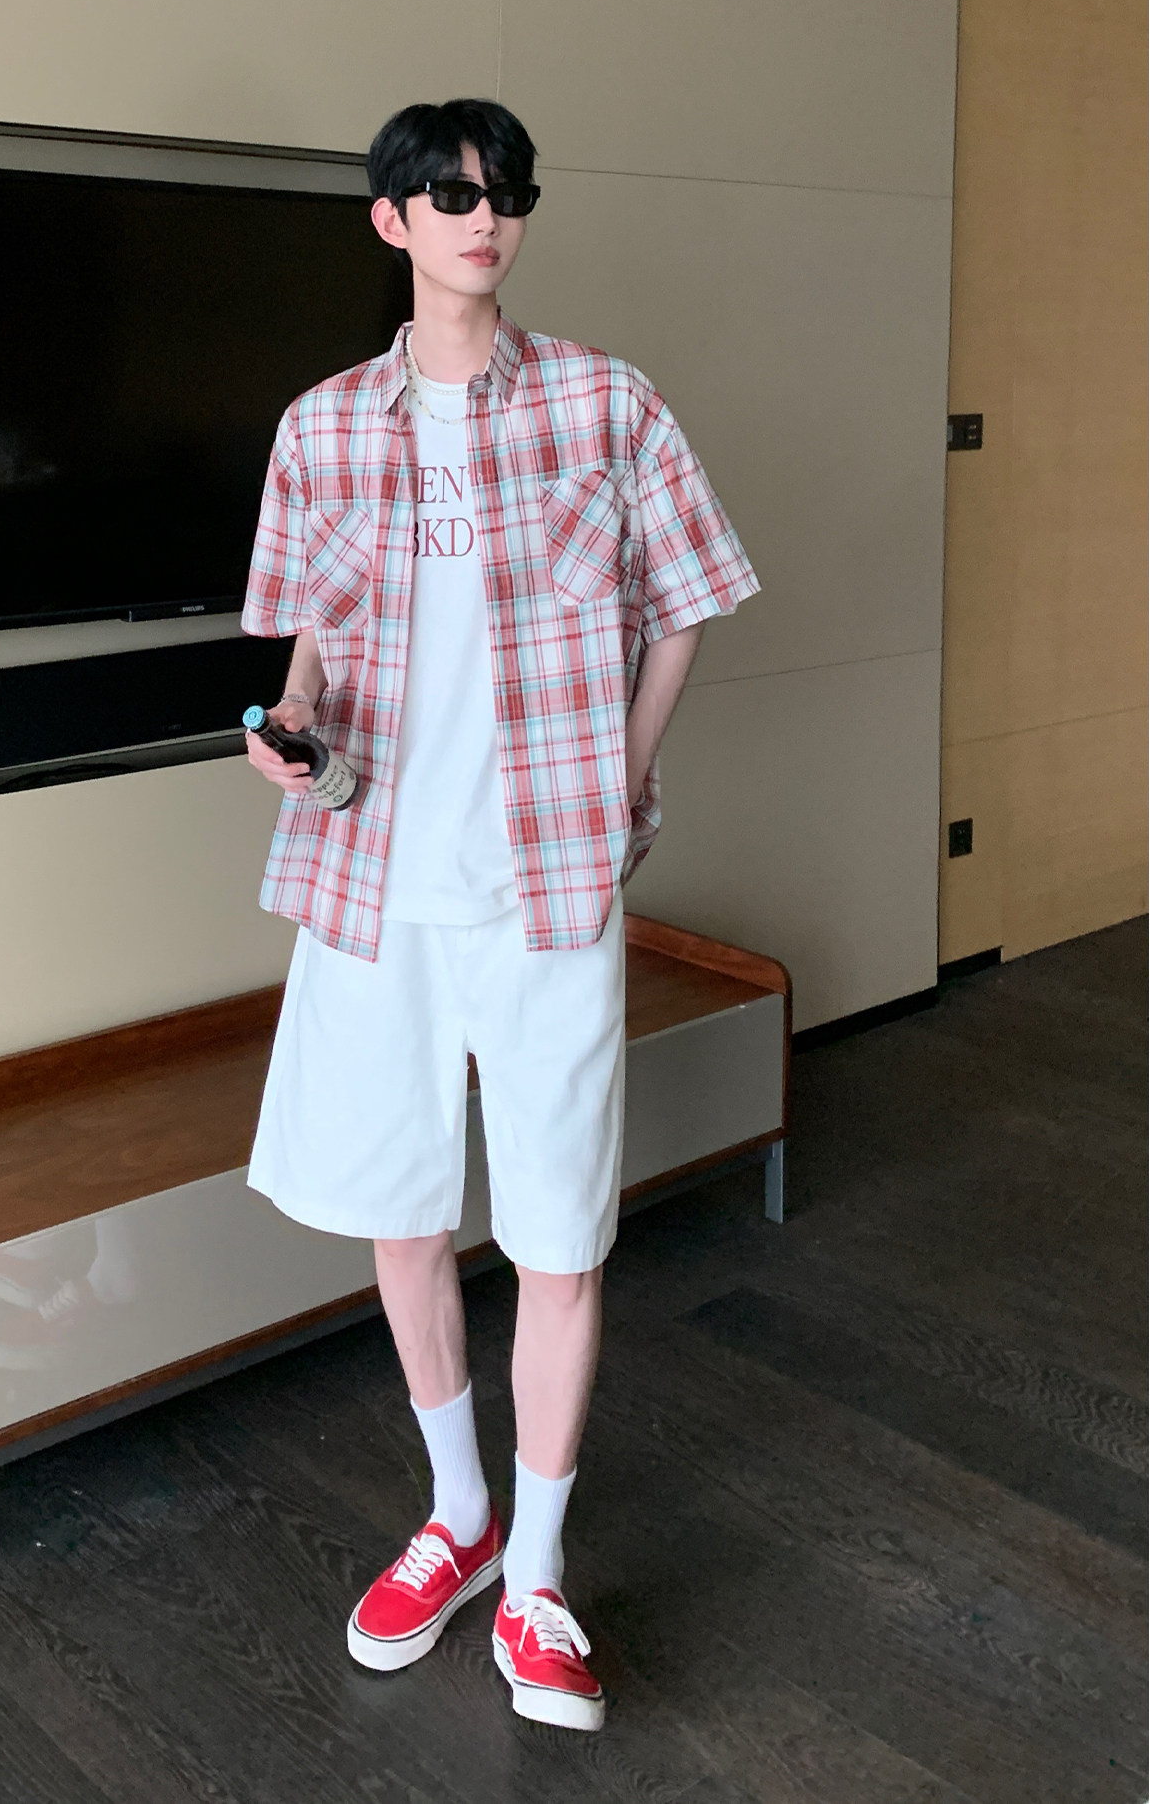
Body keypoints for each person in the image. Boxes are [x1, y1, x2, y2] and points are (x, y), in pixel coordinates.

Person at [240, 98, 759, 1732]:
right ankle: (456, 1513)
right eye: (452, 193)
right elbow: (309, 641)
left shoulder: (608, 401)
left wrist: (622, 779)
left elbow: (687, 604)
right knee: (403, 1213)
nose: (486, 216)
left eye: (507, 192)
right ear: (391, 219)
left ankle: (536, 1572)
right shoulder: (323, 425)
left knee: (556, 1231)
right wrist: (290, 727)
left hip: (546, 885)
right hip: (373, 885)